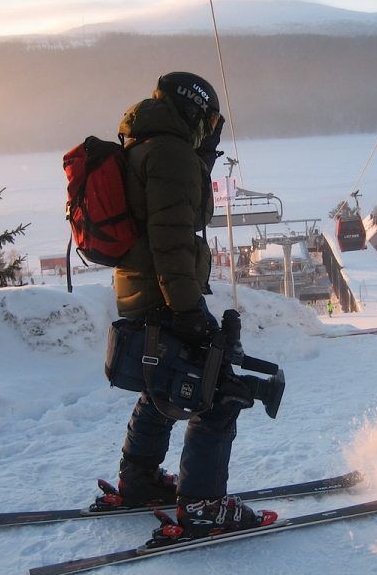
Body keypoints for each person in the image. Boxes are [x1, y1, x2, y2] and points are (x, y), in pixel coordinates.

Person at [96, 72, 275, 537]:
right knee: (215, 391)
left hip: (141, 291)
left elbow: (174, 214)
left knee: (164, 387)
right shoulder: (170, 154)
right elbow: (172, 241)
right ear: (194, 110)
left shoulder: (146, 146)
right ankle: (202, 505)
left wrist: (202, 157)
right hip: (166, 295)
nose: (210, 128)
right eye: (209, 119)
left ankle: (138, 482)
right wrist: (189, 311)